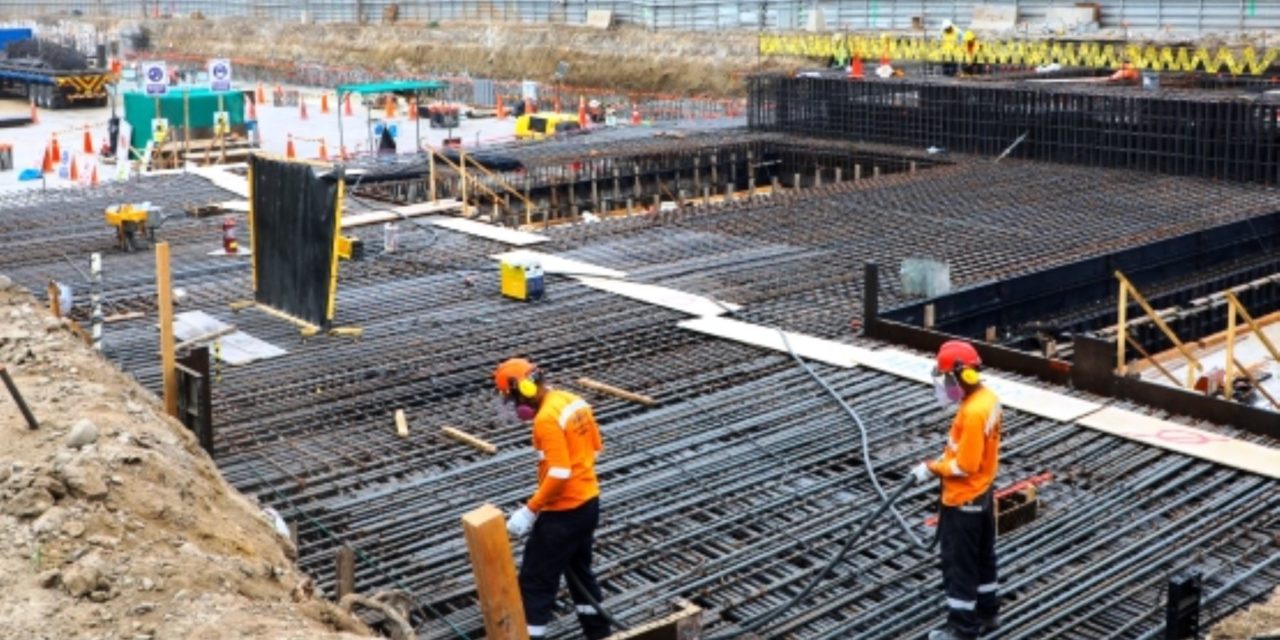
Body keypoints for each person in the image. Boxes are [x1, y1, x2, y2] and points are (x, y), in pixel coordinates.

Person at [493, 357, 610, 640]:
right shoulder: (572, 401)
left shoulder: (546, 420)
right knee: (580, 573)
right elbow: (595, 448)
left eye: (512, 398)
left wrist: (530, 510)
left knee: (536, 582)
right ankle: (599, 633)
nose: (514, 406)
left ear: (526, 391)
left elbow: (558, 473)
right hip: (589, 504)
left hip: (564, 514)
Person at [910, 340, 1002, 640]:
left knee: (959, 565)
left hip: (964, 498)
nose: (946, 385)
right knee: (983, 556)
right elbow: (966, 452)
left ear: (965, 375)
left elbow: (965, 466)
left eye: (948, 378)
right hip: (983, 494)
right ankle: (988, 613)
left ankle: (962, 629)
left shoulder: (973, 413)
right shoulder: (986, 398)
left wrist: (931, 468)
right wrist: (944, 458)